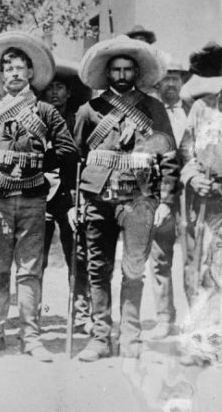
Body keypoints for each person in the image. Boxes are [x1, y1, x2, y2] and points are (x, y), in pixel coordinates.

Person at [0, 32, 78, 362]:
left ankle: (30, 336)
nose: (15, 74)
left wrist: (38, 163)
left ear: (31, 74)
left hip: (34, 200)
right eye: (8, 69)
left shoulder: (47, 112)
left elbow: (67, 151)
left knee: (29, 271)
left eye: (21, 68)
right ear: (1, 75)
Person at [72, 35, 178, 361]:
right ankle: (100, 338)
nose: (121, 75)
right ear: (107, 73)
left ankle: (131, 337)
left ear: (135, 72)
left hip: (140, 198)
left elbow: (169, 158)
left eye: (127, 69)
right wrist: (75, 204)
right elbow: (76, 158)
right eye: (115, 70)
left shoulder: (154, 108)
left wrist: (165, 201)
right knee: (97, 269)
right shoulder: (89, 110)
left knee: (134, 270)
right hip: (98, 199)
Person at [37, 59, 92, 333]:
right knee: (37, 256)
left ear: (69, 93)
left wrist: (78, 199)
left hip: (71, 194)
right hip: (40, 191)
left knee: (77, 255)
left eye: (61, 87)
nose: (55, 93)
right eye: (50, 88)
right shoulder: (36, 118)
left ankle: (81, 313)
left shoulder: (77, 120)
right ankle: (33, 312)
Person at [177, 62, 222, 367]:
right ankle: (203, 342)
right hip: (211, 206)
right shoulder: (202, 109)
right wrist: (193, 177)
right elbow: (187, 153)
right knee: (209, 271)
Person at [146, 59, 193, 340]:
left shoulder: (194, 110)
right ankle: (164, 318)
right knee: (160, 256)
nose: (172, 84)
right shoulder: (148, 113)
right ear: (158, 83)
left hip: (190, 194)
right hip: (161, 191)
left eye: (176, 78)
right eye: (167, 78)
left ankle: (196, 320)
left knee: (194, 257)